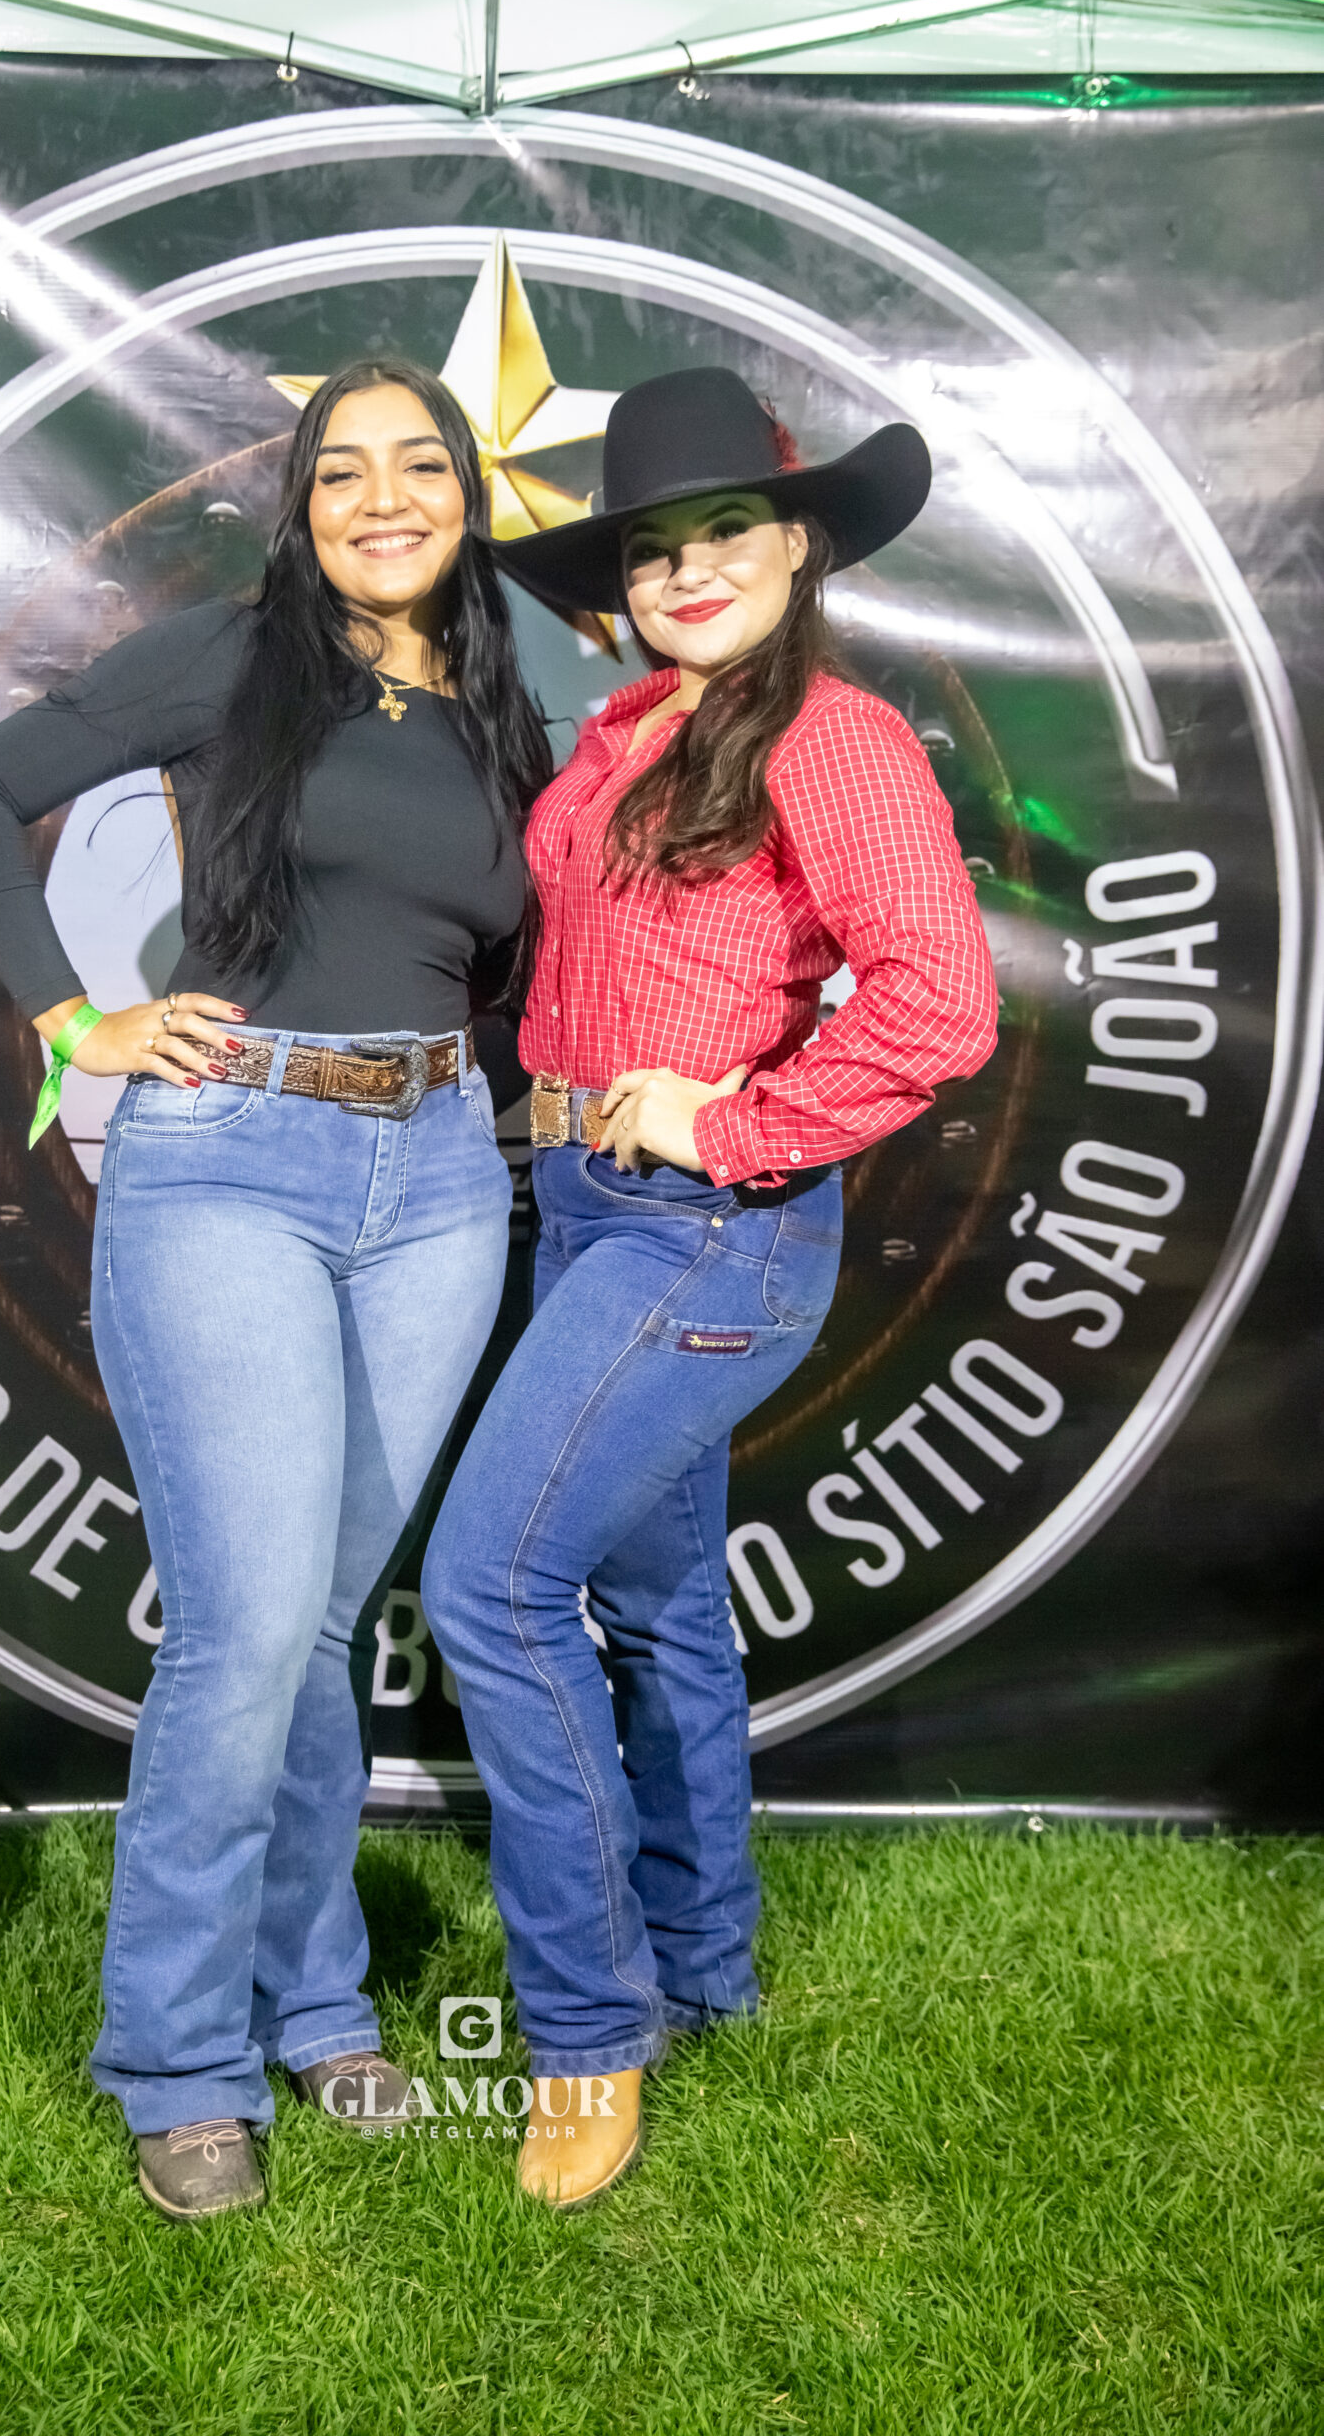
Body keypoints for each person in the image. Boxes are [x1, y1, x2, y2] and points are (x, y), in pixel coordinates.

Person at [0, 361, 551, 2222]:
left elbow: (516, 951)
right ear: (301, 505)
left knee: (322, 1619)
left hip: (442, 1178)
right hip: (231, 1155)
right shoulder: (230, 655)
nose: (383, 498)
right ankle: (181, 2056)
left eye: (419, 465)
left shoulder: (502, 703)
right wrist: (76, 1020)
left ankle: (317, 2001)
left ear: (467, 496)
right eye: (341, 471)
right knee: (248, 1625)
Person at [421, 366, 999, 2209]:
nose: (687, 569)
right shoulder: (623, 732)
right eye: (653, 547)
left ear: (799, 543)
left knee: (495, 1586)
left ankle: (590, 2035)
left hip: (710, 1225)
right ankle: (704, 1968)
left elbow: (944, 1004)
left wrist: (741, 1122)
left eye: (725, 530)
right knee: (663, 1610)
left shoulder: (834, 737)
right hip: (585, 1200)